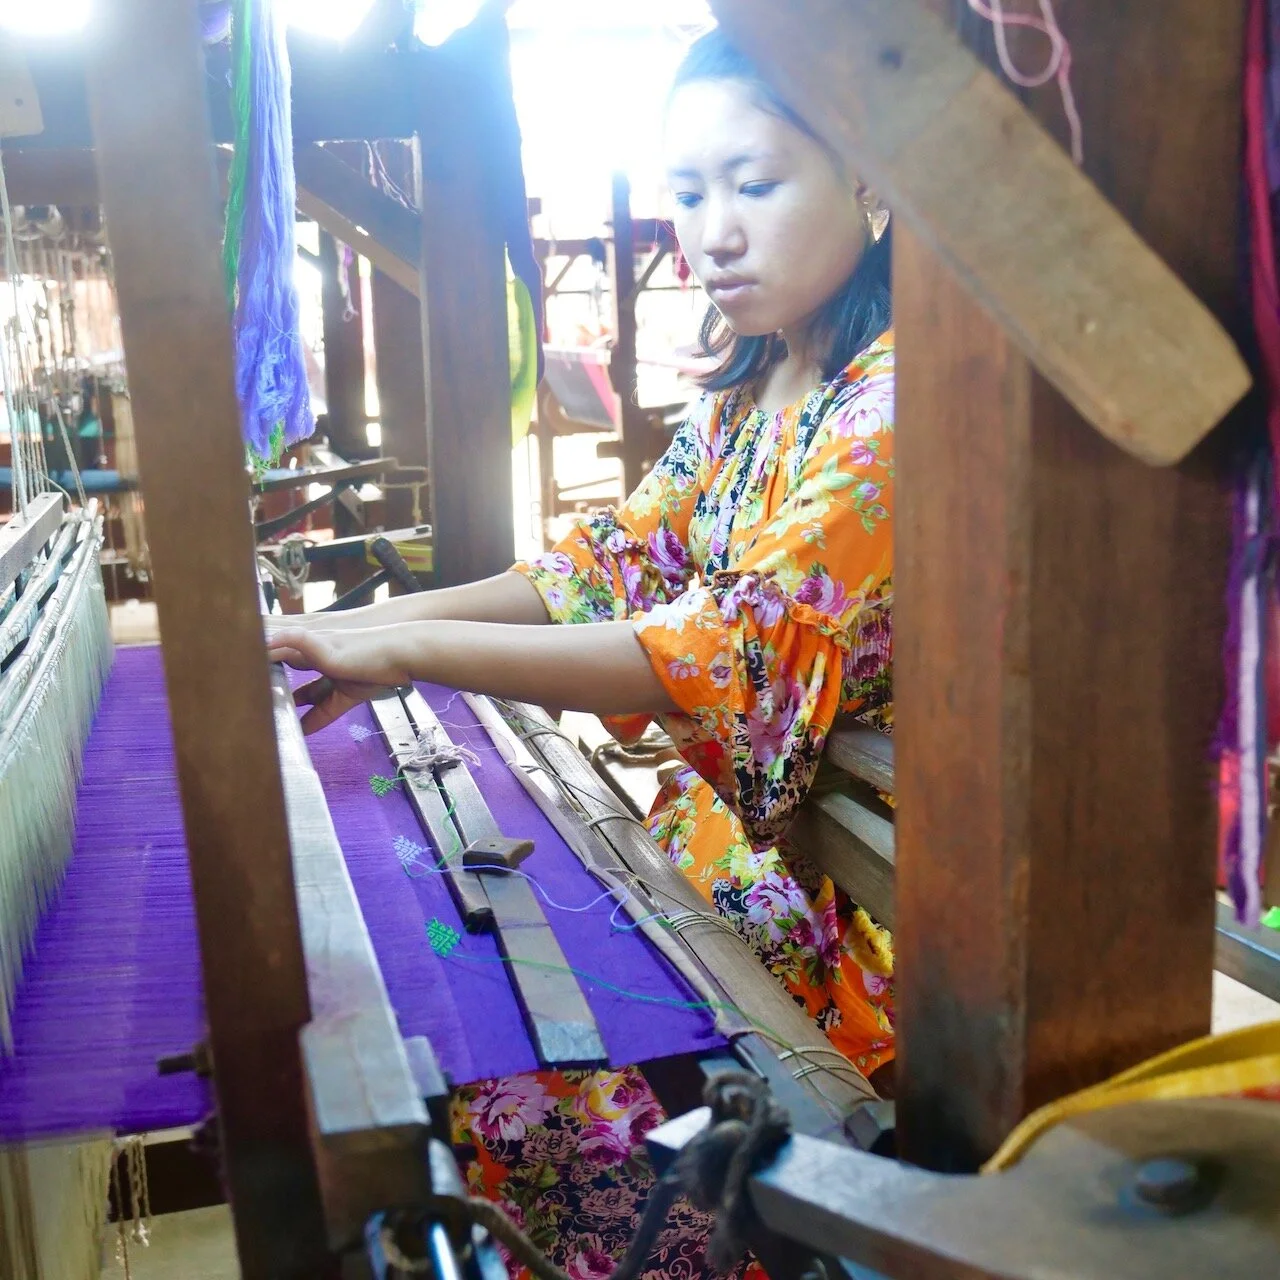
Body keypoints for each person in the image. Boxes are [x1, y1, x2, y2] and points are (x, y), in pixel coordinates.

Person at [268, 27, 895, 1277]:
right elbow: (598, 566)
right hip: (718, 851)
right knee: (473, 1051)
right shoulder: (747, 393)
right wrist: (352, 630)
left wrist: (416, 655)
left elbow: (707, 649)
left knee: (513, 1093)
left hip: (851, 924)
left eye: (753, 184)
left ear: (874, 183)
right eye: (685, 191)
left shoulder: (897, 410)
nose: (712, 229)